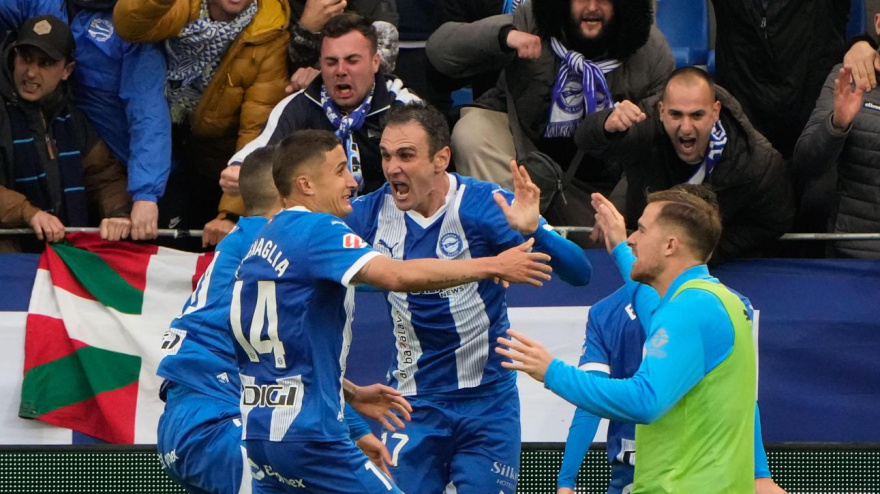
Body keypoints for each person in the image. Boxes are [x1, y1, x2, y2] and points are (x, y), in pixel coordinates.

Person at [233, 129, 553, 493]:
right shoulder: (318, 228)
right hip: (315, 436)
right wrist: (491, 265)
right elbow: (397, 274)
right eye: (339, 171)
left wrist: (350, 394)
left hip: (260, 435)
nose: (352, 181)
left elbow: (282, 351)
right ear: (306, 185)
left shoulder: (261, 243)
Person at [342, 103, 593, 493]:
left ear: (442, 158)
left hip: (487, 405)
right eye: (387, 155)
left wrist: (537, 232)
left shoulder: (485, 205)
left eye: (406, 155)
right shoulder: (368, 214)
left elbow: (580, 274)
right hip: (411, 404)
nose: (392, 168)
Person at [156, 146, 407, 493]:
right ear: (292, 188)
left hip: (189, 421)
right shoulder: (282, 241)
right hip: (219, 421)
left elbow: (276, 360)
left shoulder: (246, 241)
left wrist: (352, 415)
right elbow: (387, 277)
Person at [498, 186, 757, 492]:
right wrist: (619, 247)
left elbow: (644, 400)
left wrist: (552, 371)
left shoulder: (688, 309)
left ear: (670, 245)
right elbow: (649, 303)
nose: (633, 239)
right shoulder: (722, 301)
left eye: (642, 230)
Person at [426, 0, 674, 243]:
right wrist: (503, 37)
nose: (591, 7)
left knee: (601, 247)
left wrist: (617, 206)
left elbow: (652, 145)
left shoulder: (650, 50)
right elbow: (440, 50)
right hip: (522, 160)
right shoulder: (534, 21)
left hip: (595, 187)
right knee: (472, 131)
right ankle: (503, 238)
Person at [556, 288, 785, 493]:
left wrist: (566, 482)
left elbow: (590, 401)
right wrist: (759, 474)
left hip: (664, 472)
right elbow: (742, 396)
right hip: (698, 470)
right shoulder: (728, 303)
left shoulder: (606, 311)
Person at [113, 0, 290, 247]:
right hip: (145, 146)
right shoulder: (180, 5)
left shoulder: (269, 32)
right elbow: (129, 25)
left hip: (215, 165)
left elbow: (255, 129)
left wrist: (230, 214)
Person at [577, 67, 794, 263]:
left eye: (697, 115)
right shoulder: (644, 123)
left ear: (715, 111)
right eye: (676, 115)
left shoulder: (757, 161)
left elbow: (775, 222)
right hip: (640, 255)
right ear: (661, 111)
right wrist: (606, 125)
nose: (686, 127)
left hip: (711, 268)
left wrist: (701, 249)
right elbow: (586, 141)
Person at [219, 13, 418, 201]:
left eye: (352, 61)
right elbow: (258, 155)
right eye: (331, 62)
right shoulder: (298, 106)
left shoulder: (404, 107)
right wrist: (239, 170)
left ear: (375, 62)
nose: (341, 71)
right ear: (320, 64)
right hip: (319, 225)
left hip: (390, 223)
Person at [0, 15, 131, 251]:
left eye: (45, 63)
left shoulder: (73, 117)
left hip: (65, 256)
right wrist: (29, 213)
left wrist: (119, 213)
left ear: (67, 70)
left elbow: (104, 176)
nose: (30, 73)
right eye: (25, 59)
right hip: (10, 266)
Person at [70, 0, 171, 240]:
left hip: (138, 177)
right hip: (77, 166)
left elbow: (147, 111)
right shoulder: (52, 7)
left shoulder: (132, 23)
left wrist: (146, 194)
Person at [793, 8, 880, 258]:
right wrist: (837, 125)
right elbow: (805, 164)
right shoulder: (845, 79)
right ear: (877, 23)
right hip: (855, 252)